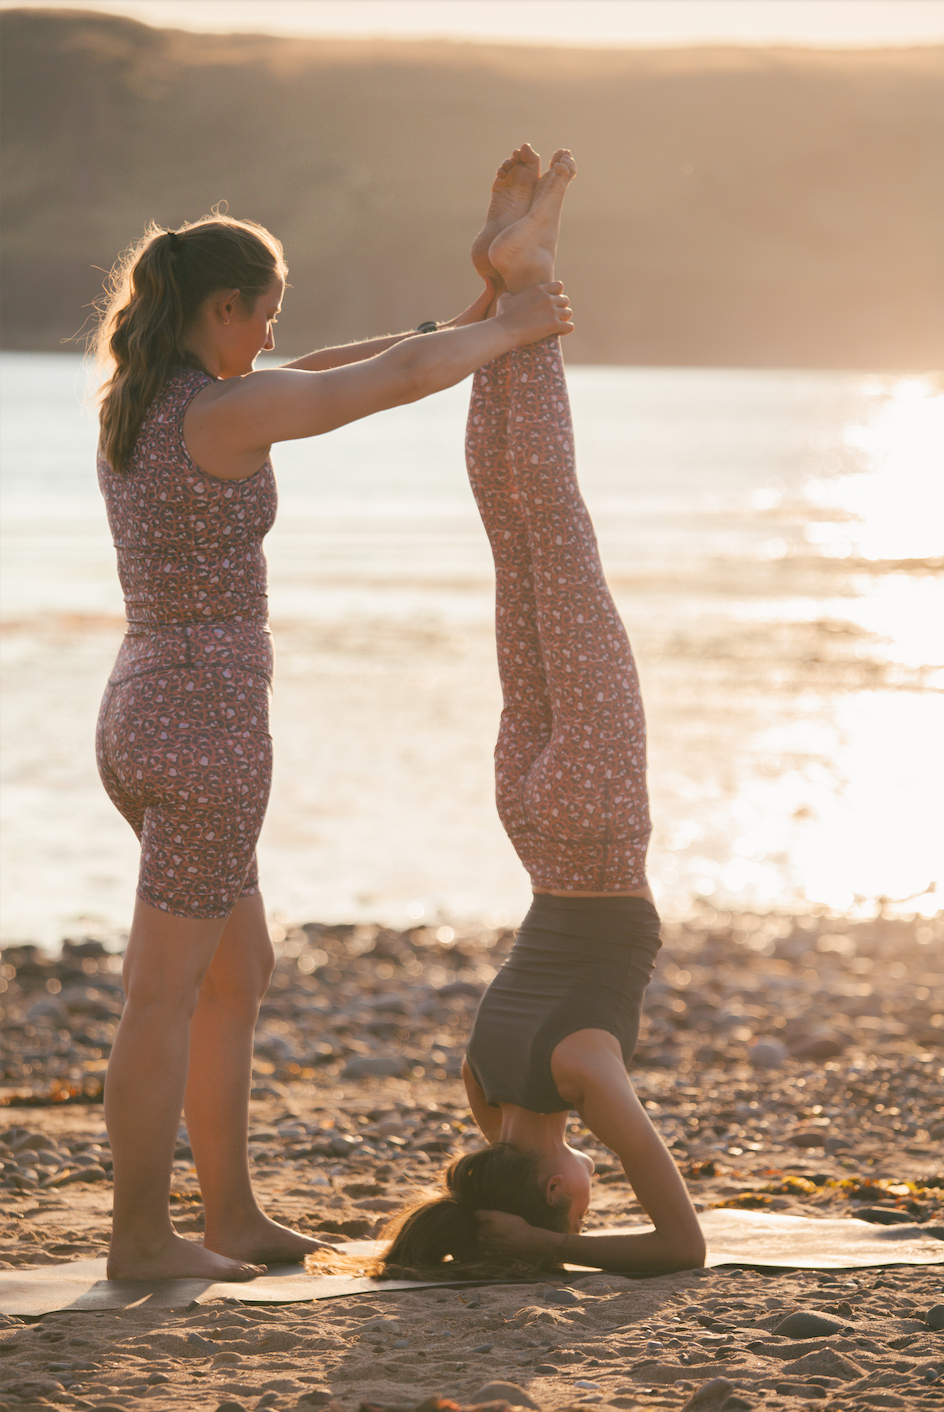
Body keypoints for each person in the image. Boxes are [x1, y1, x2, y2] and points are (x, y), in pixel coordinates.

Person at [92, 203, 574, 1280]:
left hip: (144, 708)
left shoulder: (151, 402)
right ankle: (138, 1237)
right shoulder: (218, 415)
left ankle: (229, 1215)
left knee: (235, 969)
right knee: (162, 990)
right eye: (262, 313)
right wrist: (511, 330)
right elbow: (380, 383)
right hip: (205, 723)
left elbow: (329, 364)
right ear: (221, 308)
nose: (271, 333)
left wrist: (474, 310)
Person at [382, 147, 706, 1276]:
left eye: (573, 1203)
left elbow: (680, 1245)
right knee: (516, 540)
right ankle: (512, 294)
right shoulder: (485, 1074)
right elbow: (504, 1162)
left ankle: (528, 284)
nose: (588, 1196)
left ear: (543, 1193)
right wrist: (497, 1224)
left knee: (554, 528)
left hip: (596, 824)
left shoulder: (579, 1071)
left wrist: (547, 1250)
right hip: (526, 821)